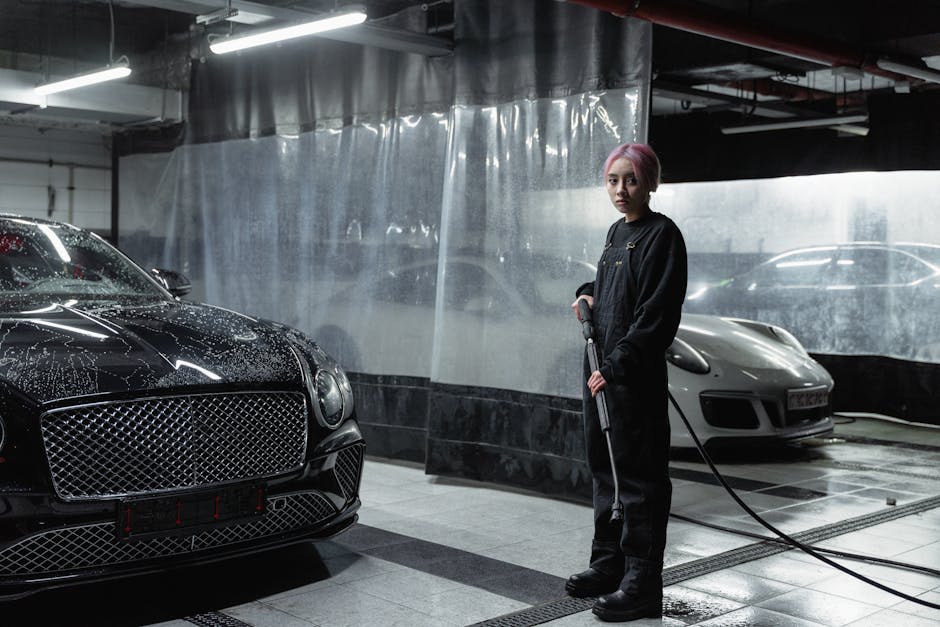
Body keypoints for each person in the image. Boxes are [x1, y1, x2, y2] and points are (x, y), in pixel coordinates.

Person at [567, 142, 687, 622]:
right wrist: (586, 294)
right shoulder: (617, 233)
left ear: (651, 183)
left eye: (631, 180)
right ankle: (608, 563)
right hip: (601, 375)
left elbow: (656, 316)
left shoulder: (663, 236)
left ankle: (641, 582)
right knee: (604, 469)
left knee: (637, 478)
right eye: (613, 180)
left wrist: (617, 364)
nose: (621, 190)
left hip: (630, 378)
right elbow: (612, 292)